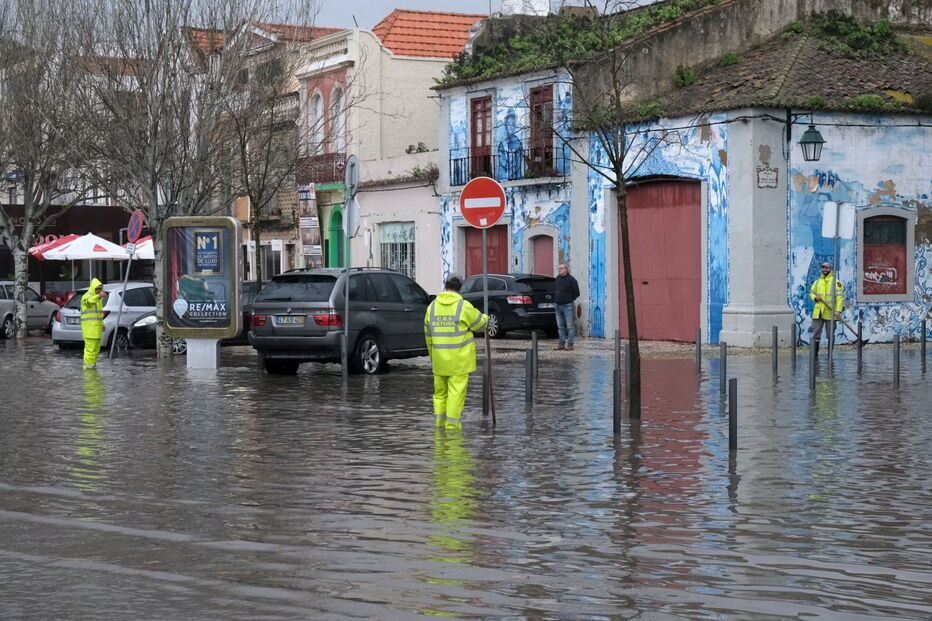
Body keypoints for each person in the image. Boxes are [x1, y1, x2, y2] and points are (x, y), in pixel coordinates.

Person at [424, 274, 488, 429]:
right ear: (461, 287)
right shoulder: (463, 306)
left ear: (445, 285)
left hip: (439, 360)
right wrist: (486, 318)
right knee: (455, 394)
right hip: (459, 361)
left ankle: (439, 427)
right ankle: (452, 431)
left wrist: (433, 357)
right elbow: (480, 324)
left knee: (439, 395)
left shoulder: (432, 307)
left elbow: (428, 336)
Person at [809, 261, 843, 355]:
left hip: (830, 313)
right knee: (816, 334)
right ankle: (814, 355)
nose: (825, 270)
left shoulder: (836, 282)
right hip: (818, 312)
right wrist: (815, 298)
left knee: (830, 334)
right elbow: (811, 293)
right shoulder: (817, 282)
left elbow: (840, 298)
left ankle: (829, 355)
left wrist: (838, 311)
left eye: (827, 268)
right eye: (823, 268)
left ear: (830, 269)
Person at [81, 278, 108, 369]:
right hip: (90, 331)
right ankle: (88, 371)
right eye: (97, 289)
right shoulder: (87, 296)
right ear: (93, 288)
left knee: (95, 351)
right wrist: (99, 296)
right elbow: (89, 301)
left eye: (100, 289)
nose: (99, 291)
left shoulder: (98, 300)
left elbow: (98, 315)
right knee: (90, 351)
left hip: (96, 331)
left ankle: (92, 369)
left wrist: (102, 324)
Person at [553, 262, 580, 350]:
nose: (559, 270)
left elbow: (577, 293)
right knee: (560, 326)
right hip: (558, 305)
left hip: (567, 305)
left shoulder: (571, 280)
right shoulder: (557, 279)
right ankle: (561, 343)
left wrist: (569, 299)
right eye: (558, 268)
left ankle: (570, 344)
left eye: (561, 268)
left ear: (566, 270)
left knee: (569, 326)